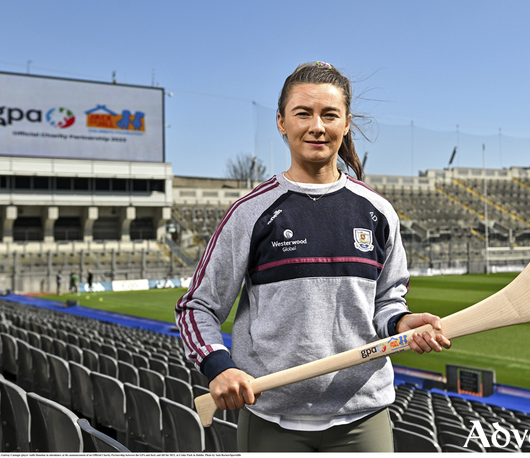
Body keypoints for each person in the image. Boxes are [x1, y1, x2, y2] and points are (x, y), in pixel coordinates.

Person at [176, 61, 451, 452]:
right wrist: (219, 367)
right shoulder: (250, 213)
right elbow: (196, 307)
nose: (316, 126)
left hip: (363, 417)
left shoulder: (377, 211)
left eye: (329, 114)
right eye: (302, 113)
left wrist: (402, 322)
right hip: (272, 419)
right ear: (281, 123)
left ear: (346, 123)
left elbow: (387, 301)